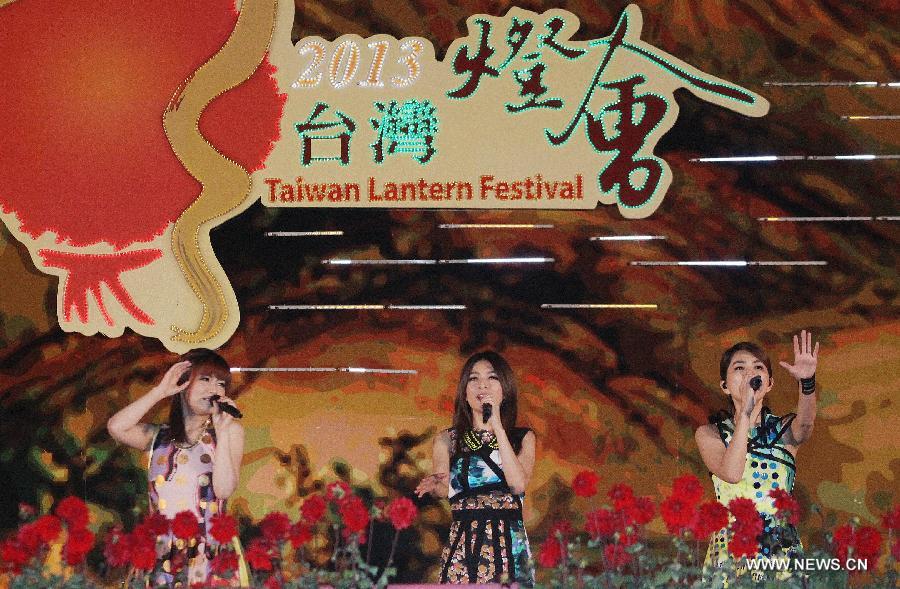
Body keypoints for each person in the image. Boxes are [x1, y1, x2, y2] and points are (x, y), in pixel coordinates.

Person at [107, 348, 248, 587]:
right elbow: (116, 427)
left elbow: (224, 490)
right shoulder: (158, 437)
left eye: (221, 383)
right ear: (183, 384)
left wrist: (222, 434)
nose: (214, 389)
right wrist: (159, 392)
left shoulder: (229, 432)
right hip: (162, 553)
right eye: (205, 379)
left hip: (207, 556)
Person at [695, 330, 820, 578]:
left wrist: (807, 383)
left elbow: (805, 426)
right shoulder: (710, 434)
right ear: (725, 386)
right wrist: (745, 413)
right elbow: (731, 473)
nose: (750, 373)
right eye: (740, 368)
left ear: (769, 383)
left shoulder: (784, 430)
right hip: (731, 554)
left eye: (758, 367)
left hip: (780, 552)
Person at [415, 351, 536, 585]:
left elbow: (518, 484)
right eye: (473, 379)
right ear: (464, 392)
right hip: (464, 544)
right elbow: (443, 488)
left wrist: (498, 428)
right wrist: (434, 485)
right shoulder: (447, 440)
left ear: (505, 388)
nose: (482, 385)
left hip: (509, 546)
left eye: (492, 378)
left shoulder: (522, 437)